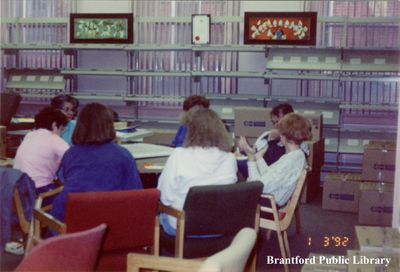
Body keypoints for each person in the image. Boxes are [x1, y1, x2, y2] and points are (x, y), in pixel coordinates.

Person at [50, 103, 143, 222]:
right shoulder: (123, 155)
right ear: (110, 126)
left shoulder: (71, 154)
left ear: (80, 125)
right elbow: (135, 193)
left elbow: (63, 182)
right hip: (111, 221)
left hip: (72, 221)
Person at [158, 108, 238, 235]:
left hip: (182, 227)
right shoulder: (230, 158)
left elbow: (164, 197)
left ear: (191, 130)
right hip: (219, 227)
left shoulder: (179, 155)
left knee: (157, 215)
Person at [239, 113, 311, 207]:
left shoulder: (289, 161)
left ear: (283, 135)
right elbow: (269, 176)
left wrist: (251, 159)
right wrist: (259, 157)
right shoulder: (297, 155)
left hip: (266, 204)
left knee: (228, 194)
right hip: (271, 200)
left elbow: (259, 186)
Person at [13, 107, 69, 196]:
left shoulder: (29, 135)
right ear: (54, 125)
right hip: (38, 192)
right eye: (61, 129)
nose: (61, 133)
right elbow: (75, 160)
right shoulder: (54, 139)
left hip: (19, 191)